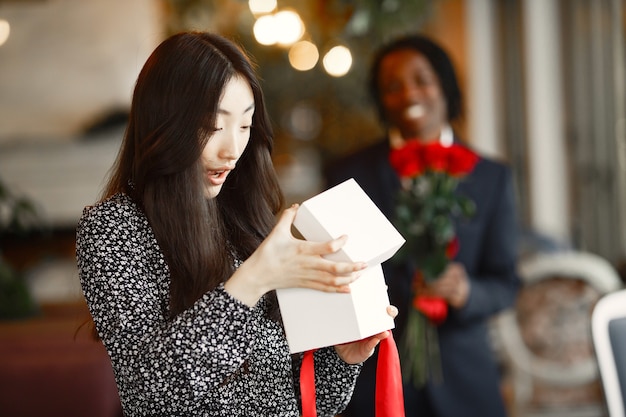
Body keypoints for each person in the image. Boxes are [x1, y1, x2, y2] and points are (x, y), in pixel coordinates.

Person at [76, 31, 397, 417]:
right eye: (214, 125)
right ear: (164, 121)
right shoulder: (114, 229)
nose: (232, 150)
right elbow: (152, 393)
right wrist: (253, 280)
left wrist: (342, 359)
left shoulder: (245, 218)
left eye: (244, 126)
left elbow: (305, 404)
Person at [325, 34, 520, 417]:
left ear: (445, 85)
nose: (408, 93)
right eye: (392, 87)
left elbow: (506, 283)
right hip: (376, 382)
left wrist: (467, 292)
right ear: (381, 100)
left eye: (421, 79)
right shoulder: (347, 175)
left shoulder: (491, 177)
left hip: (467, 382)